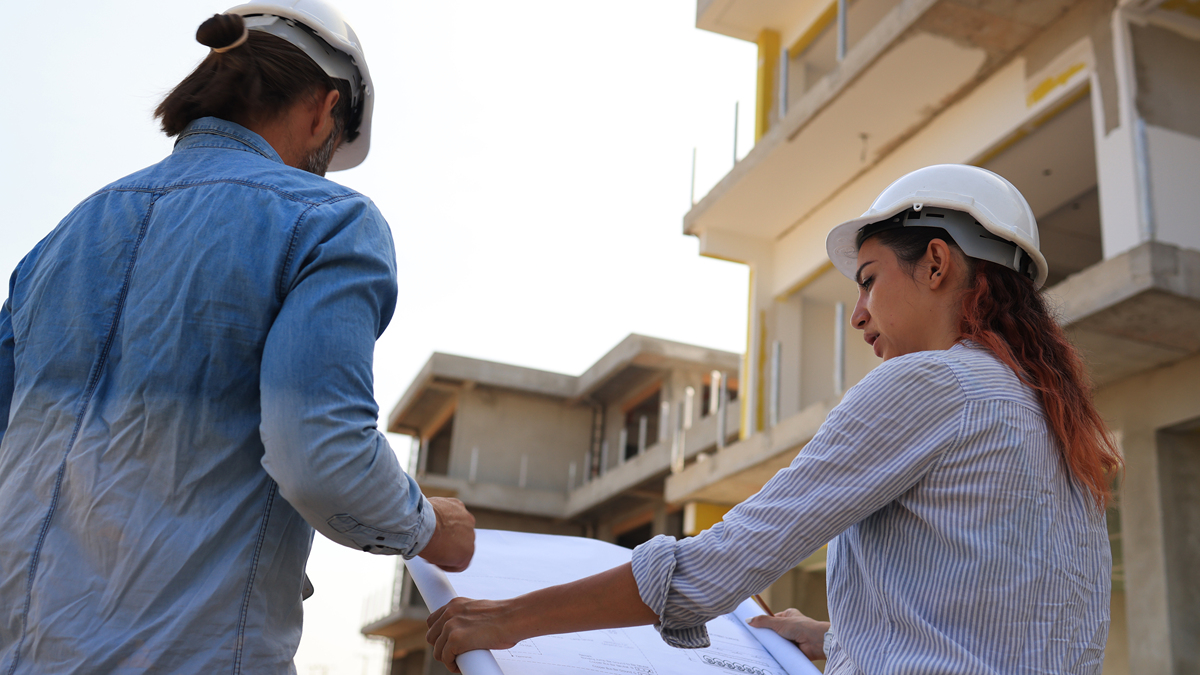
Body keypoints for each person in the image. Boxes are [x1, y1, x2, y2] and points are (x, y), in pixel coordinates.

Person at [425, 164, 1122, 674]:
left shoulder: (931, 384)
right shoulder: (1056, 419)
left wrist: (508, 617)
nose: (857, 314)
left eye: (871, 278)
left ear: (936, 262)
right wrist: (832, 635)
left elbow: (713, 568)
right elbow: (1001, 624)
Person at [0, 3, 474, 673]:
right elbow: (322, 454)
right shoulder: (329, 221)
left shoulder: (63, 235)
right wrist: (429, 527)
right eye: (334, 142)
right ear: (323, 108)